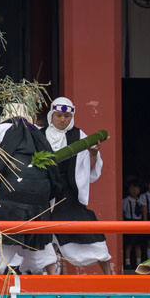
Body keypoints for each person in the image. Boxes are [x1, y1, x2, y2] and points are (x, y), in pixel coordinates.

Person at [0, 103, 62, 276]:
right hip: (39, 200)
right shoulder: (39, 135)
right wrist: (48, 205)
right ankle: (54, 286)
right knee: (39, 241)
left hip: (7, 197)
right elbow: (53, 173)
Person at [43, 97, 112, 274]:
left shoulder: (80, 137)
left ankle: (110, 276)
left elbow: (89, 172)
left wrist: (94, 155)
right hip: (44, 192)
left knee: (88, 231)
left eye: (66, 116)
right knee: (43, 237)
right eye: (58, 115)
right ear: (52, 115)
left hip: (68, 193)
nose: (62, 119)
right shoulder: (39, 134)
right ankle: (51, 280)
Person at [123, 180, 143, 269]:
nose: (134, 190)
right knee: (129, 244)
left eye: (136, 188)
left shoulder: (142, 200)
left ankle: (139, 263)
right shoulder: (125, 201)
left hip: (139, 222)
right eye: (132, 188)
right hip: (129, 222)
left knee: (138, 244)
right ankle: (128, 263)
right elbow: (122, 212)